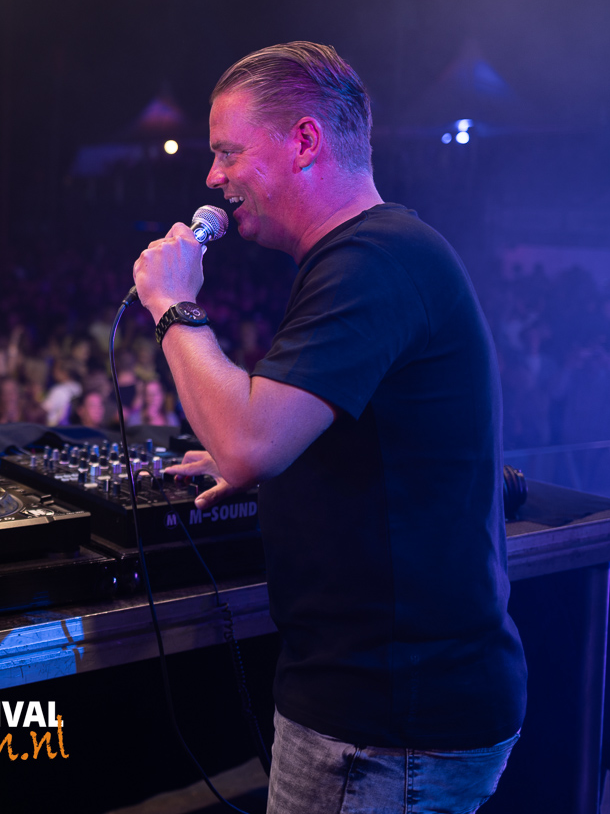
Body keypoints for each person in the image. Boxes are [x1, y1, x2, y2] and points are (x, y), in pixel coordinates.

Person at [132, 42, 525, 813]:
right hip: (387, 705)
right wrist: (251, 458)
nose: (211, 177)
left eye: (227, 151)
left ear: (304, 142)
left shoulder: (372, 260)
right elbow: (330, 439)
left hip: (387, 720)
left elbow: (251, 442)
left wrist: (170, 304)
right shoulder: (372, 253)